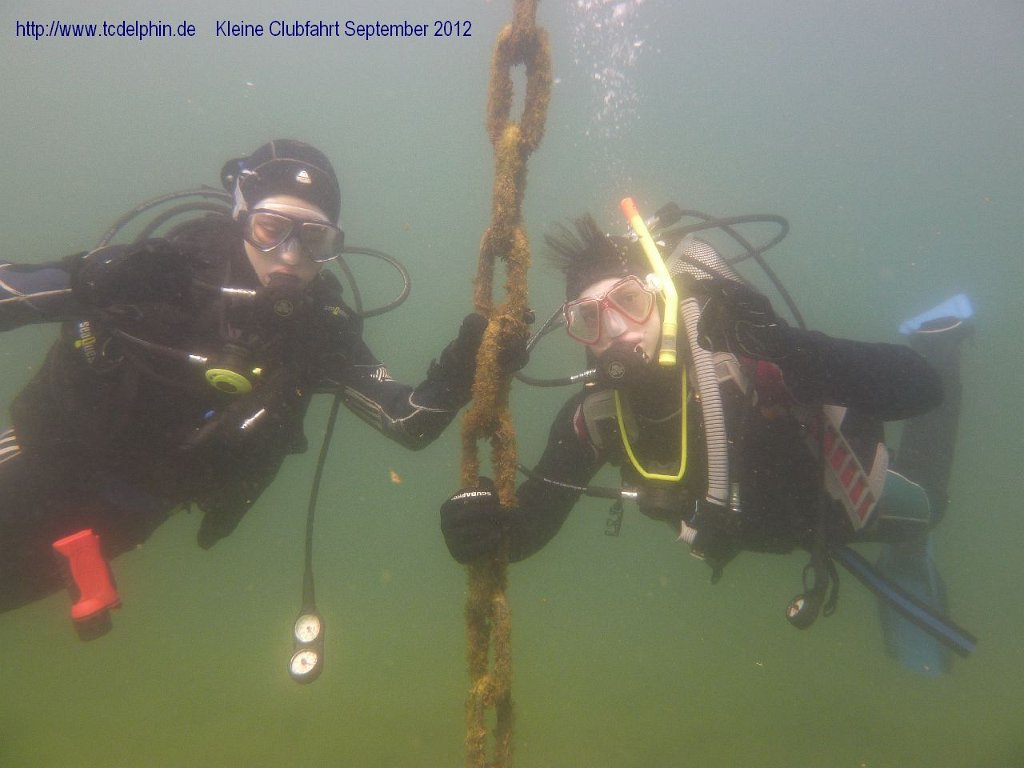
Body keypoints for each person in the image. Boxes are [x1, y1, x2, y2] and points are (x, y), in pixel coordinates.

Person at [440, 207, 975, 674]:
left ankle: (943, 341)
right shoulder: (597, 416)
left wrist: (782, 344)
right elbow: (528, 527)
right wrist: (480, 531)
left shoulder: (742, 360)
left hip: (837, 502)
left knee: (932, 507)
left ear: (664, 300)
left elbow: (919, 390)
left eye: (629, 300)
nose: (616, 329)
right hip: (774, 529)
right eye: (588, 318)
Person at [0, 139, 502, 627]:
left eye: (315, 238)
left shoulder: (319, 328)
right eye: (271, 228)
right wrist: (85, 280)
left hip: (120, 524)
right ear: (241, 218)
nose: (290, 255)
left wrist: (465, 368)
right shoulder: (164, 270)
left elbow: (408, 422)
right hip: (30, 465)